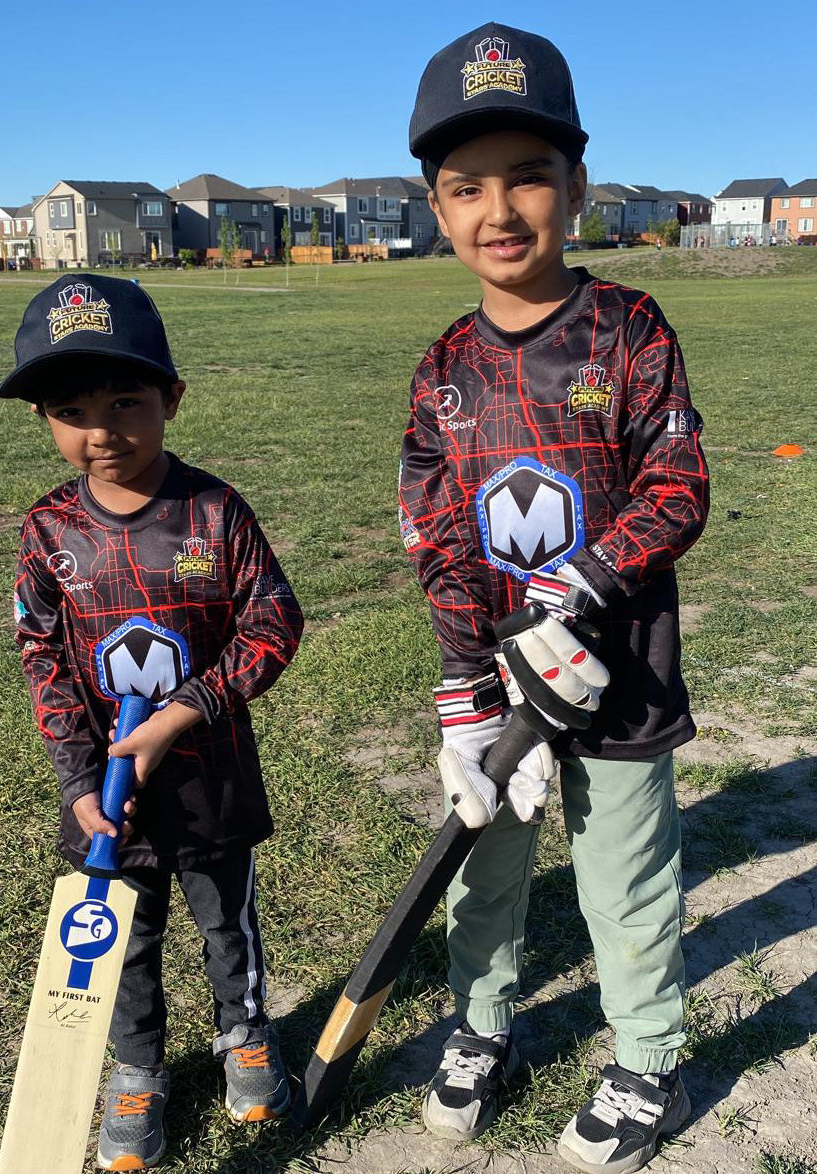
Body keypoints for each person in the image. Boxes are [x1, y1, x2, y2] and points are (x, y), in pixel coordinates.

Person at [399, 23, 709, 1174]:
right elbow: (434, 530)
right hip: (500, 688)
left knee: (626, 880)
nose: (501, 208)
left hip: (619, 675)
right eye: (466, 185)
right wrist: (464, 687)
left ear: (577, 186)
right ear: (435, 207)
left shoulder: (629, 328)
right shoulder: (442, 366)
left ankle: (649, 1061)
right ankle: (483, 1026)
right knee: (485, 868)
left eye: (529, 175)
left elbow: (679, 483)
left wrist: (577, 586)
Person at [0, 275, 303, 1169]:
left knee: (225, 923)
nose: (100, 433)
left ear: (171, 398)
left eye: (125, 402)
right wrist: (77, 784)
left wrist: (188, 708)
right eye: (70, 411)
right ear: (44, 420)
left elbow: (274, 622)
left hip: (208, 779)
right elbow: (43, 659)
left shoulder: (214, 512)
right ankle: (137, 1070)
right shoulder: (48, 530)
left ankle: (244, 1032)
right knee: (122, 942)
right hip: (109, 801)